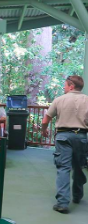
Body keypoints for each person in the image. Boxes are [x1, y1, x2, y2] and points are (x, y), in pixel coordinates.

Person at [41, 75, 88, 214]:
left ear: (71, 86)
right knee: (79, 166)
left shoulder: (59, 100)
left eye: (65, 85)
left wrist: (44, 131)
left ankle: (62, 203)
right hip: (81, 137)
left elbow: (45, 120)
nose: (64, 87)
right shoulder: (87, 100)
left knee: (63, 168)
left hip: (63, 137)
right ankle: (78, 195)